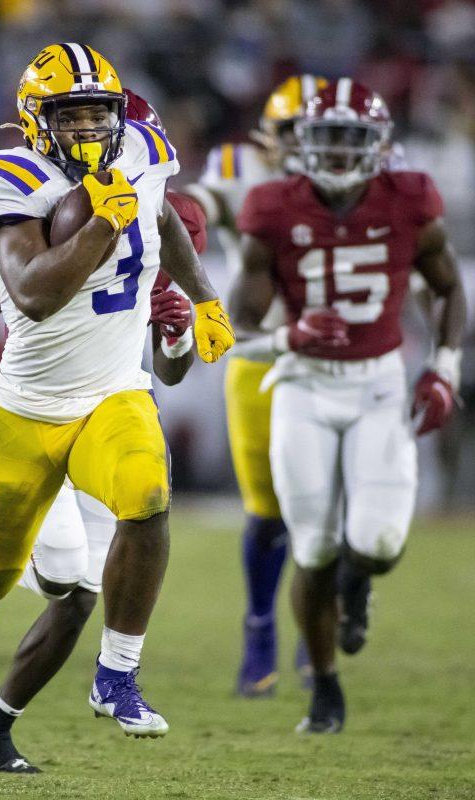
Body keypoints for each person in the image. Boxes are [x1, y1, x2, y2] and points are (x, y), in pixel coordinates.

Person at [0, 43, 234, 771]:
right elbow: (36, 296)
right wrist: (103, 226)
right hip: (29, 407)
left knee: (147, 497)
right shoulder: (11, 178)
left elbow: (164, 215)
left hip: (114, 391)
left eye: (98, 113)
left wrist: (202, 296)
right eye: (70, 114)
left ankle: (118, 672)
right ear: (35, 120)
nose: (88, 128)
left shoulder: (141, 146)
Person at [229, 79, 465, 733]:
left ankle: (357, 586)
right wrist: (287, 336)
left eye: (350, 138)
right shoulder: (272, 207)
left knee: (381, 541)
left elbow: (448, 288)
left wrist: (444, 368)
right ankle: (326, 689)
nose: (335, 152)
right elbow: (237, 325)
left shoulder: (410, 199)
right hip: (303, 383)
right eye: (324, 137)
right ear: (302, 143)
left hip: (379, 382)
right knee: (312, 547)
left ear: (379, 144)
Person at [184, 75, 327, 696]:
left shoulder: (365, 182)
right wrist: (180, 210)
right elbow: (203, 200)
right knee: (267, 510)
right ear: (268, 135)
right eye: (294, 131)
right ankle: (261, 626)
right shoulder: (240, 166)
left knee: (330, 507)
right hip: (261, 353)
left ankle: (327, 609)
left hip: (333, 357)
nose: (307, 145)